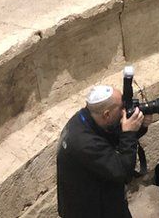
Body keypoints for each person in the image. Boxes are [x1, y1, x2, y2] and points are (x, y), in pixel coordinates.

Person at [57, 85, 148, 218]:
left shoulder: (85, 119)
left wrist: (140, 126)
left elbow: (110, 135)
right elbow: (123, 172)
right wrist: (129, 133)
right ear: (107, 114)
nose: (125, 111)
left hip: (96, 194)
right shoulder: (85, 143)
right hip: (91, 209)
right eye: (121, 108)